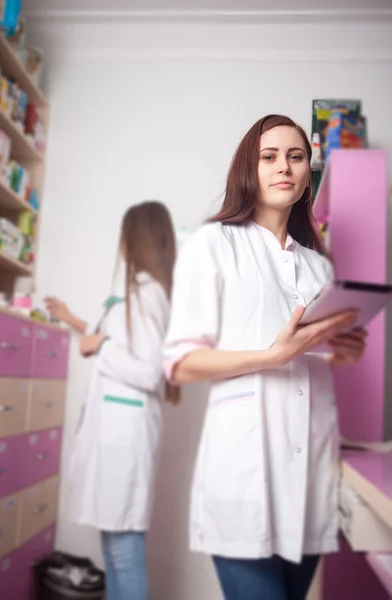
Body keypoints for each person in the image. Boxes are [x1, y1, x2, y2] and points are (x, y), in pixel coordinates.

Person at [162, 115, 366, 600]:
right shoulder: (214, 244)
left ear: (306, 175)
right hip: (244, 476)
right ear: (247, 170)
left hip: (311, 477)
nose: (284, 167)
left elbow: (307, 358)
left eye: (296, 157)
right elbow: (180, 363)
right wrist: (271, 356)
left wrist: (339, 354)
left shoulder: (319, 266)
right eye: (269, 156)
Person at [45, 201, 177, 600]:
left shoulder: (149, 295)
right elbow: (116, 338)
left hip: (126, 437)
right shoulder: (137, 293)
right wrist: (73, 320)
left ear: (136, 238)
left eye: (124, 233)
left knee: (123, 553)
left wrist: (99, 345)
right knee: (115, 548)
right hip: (117, 435)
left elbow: (148, 370)